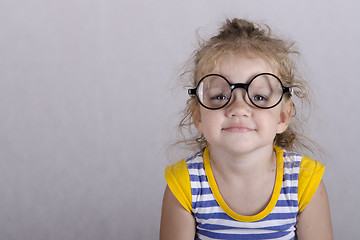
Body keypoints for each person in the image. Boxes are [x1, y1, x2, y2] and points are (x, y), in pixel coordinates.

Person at [160, 18, 333, 240]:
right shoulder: (184, 184)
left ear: (282, 116)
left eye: (259, 96)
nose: (239, 108)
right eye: (219, 96)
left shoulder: (304, 182)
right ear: (197, 115)